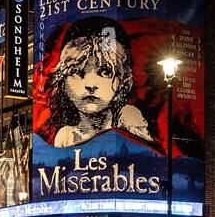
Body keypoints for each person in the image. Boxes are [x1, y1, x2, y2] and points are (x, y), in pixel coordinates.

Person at [42, 17, 152, 148]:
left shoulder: (130, 119)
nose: (91, 84)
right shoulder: (65, 135)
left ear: (124, 81)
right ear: (63, 82)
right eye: (78, 71)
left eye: (105, 72)